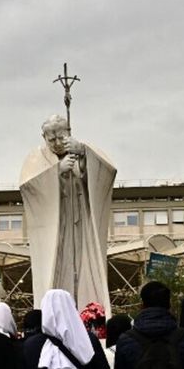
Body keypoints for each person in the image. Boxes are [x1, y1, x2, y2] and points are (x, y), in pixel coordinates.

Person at [19, 114, 116, 315]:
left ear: (69, 133)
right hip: (56, 225)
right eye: (51, 139)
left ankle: (92, 313)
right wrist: (56, 171)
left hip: (82, 223)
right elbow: (28, 186)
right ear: (43, 137)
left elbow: (108, 172)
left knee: (86, 265)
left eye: (61, 138)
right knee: (57, 266)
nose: (56, 143)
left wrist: (83, 155)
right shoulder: (36, 157)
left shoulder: (82, 149)